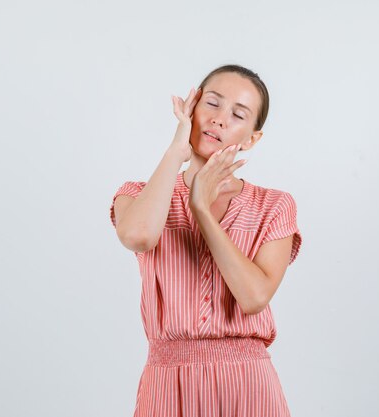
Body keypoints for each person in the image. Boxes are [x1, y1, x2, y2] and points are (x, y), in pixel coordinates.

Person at [109, 64, 302, 417]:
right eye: (212, 103)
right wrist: (177, 149)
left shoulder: (274, 205)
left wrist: (201, 206)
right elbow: (138, 235)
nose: (220, 119)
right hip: (168, 383)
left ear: (251, 138)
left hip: (247, 384)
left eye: (238, 114)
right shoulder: (137, 194)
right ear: (192, 105)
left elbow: (254, 296)